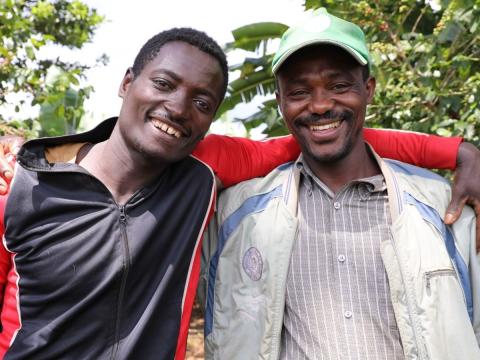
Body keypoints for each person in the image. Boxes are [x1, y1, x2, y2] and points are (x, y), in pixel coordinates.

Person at [0, 26, 478, 360]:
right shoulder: (24, 186)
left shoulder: (202, 170)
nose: (177, 106)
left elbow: (321, 133)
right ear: (128, 82)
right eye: (163, 84)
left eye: (202, 101)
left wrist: (461, 151)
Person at [201, 8, 480, 359]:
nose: (319, 105)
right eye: (300, 91)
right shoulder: (236, 214)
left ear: (368, 89)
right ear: (281, 102)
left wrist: (464, 153)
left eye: (339, 86)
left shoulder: (443, 209)